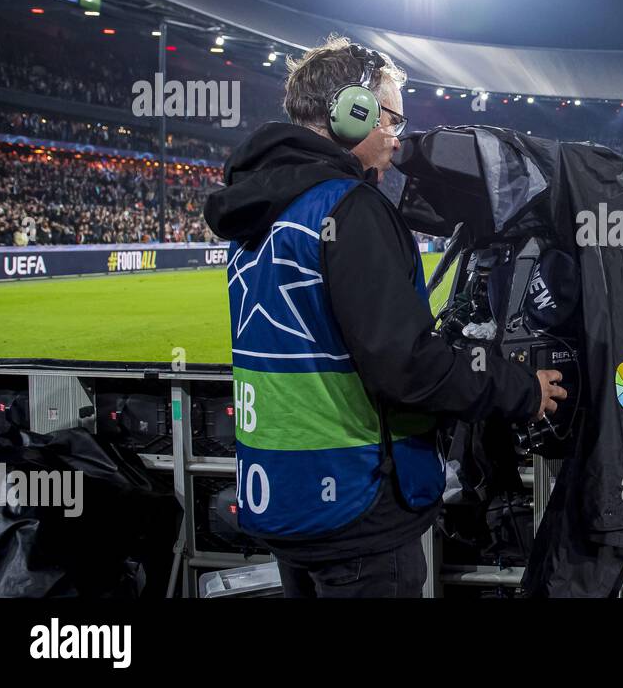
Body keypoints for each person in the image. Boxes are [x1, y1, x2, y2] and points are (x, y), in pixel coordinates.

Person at [203, 35, 565, 597]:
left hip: (283, 495)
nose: (398, 136)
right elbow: (406, 366)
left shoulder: (258, 209)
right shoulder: (349, 207)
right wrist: (519, 388)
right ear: (352, 113)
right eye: (391, 117)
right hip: (356, 507)